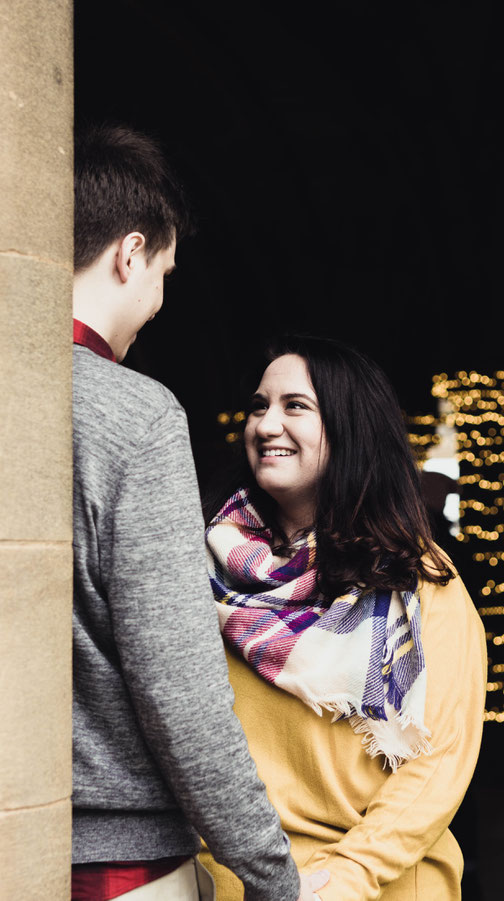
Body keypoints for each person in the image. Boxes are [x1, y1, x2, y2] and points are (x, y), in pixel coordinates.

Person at [71, 124, 327, 901]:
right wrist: (270, 875)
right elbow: (178, 690)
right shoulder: (136, 415)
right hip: (116, 866)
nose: (155, 304)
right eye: (164, 275)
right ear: (129, 252)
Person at [201, 336, 487, 900]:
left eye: (295, 406)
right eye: (260, 405)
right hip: (230, 884)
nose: (266, 424)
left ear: (350, 428)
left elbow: (440, 758)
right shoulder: (206, 563)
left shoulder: (417, 579)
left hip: (376, 883)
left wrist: (348, 877)